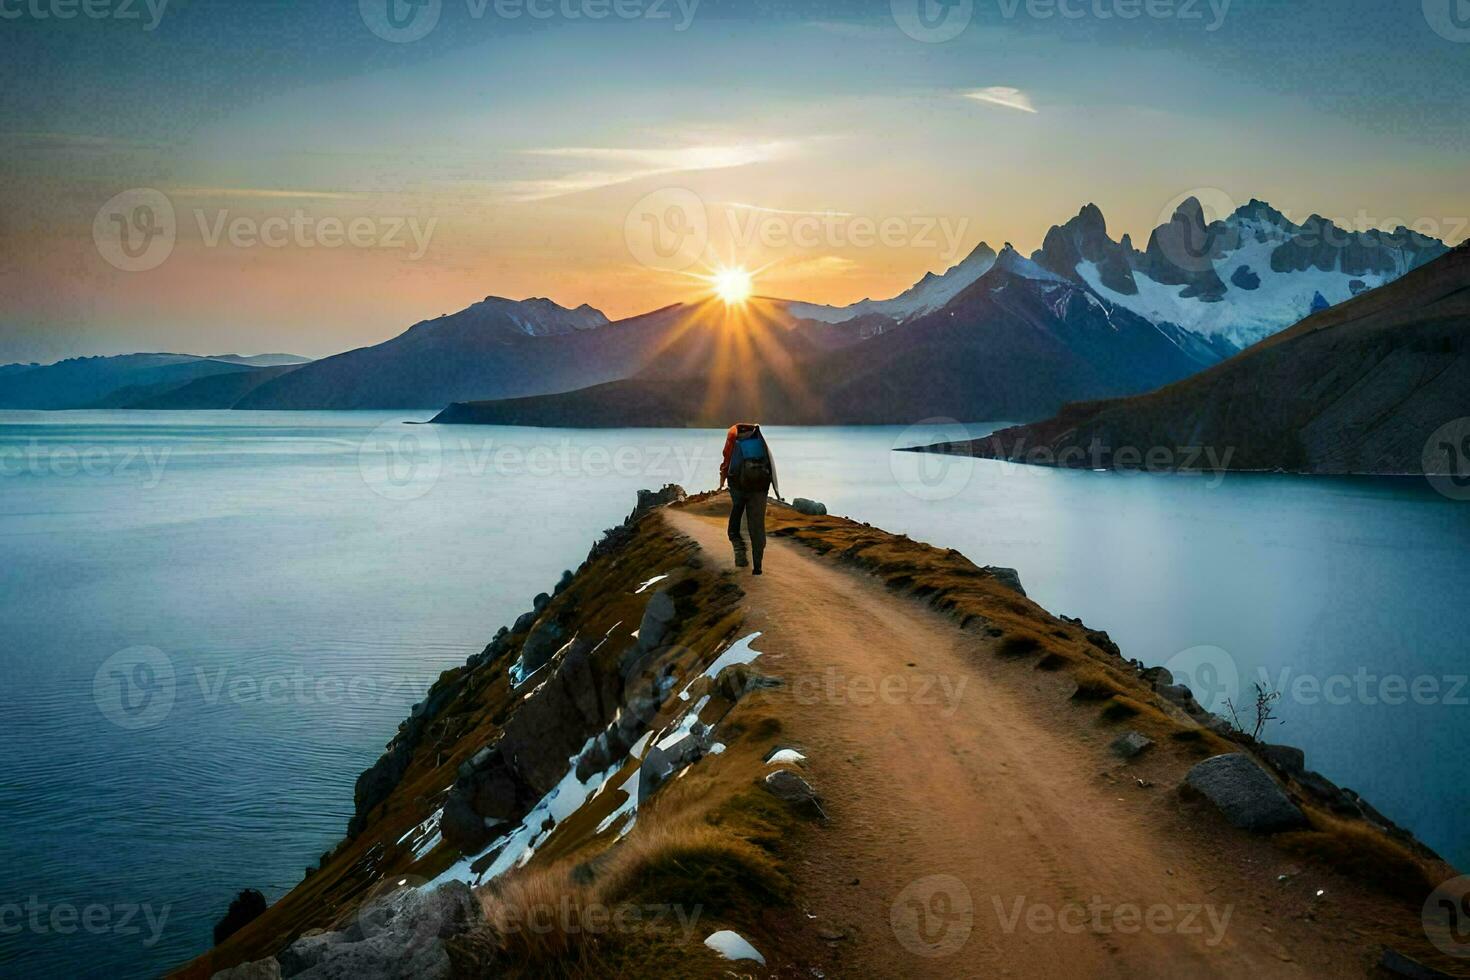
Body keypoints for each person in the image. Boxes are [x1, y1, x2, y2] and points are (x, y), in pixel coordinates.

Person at [718, 422, 781, 575]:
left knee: (734, 526)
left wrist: (721, 483)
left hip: (739, 488)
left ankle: (740, 556)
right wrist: (775, 490)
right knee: (757, 526)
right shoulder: (759, 438)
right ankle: (758, 567)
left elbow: (726, 464)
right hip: (760, 487)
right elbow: (770, 466)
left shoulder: (733, 437)